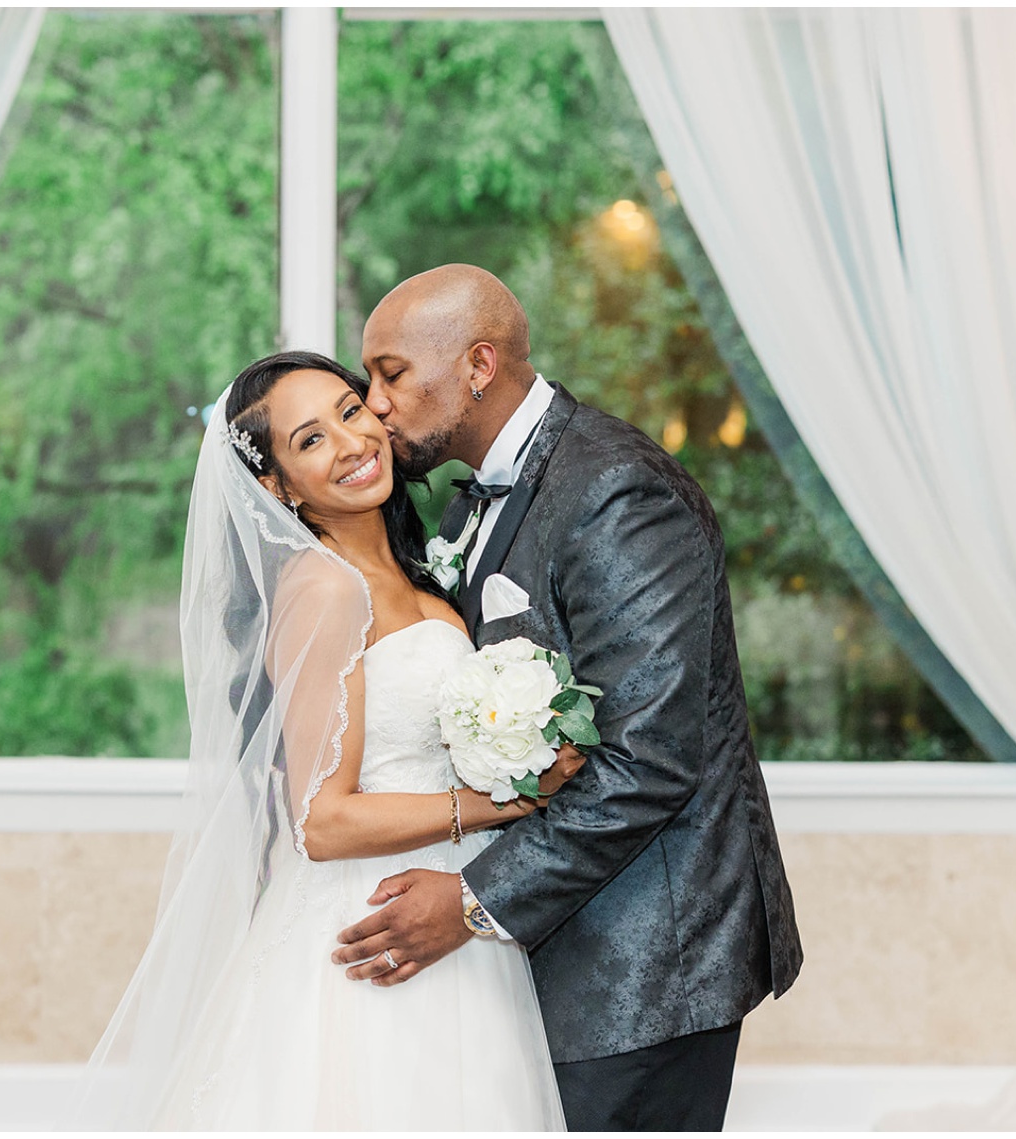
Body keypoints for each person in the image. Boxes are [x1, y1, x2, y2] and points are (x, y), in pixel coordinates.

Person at [333, 264, 804, 1132]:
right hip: (541, 964)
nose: (375, 404)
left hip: (644, 964)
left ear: (479, 365)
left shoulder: (618, 490)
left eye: (391, 373)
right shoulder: (462, 509)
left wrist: (473, 901)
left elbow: (649, 761)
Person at [71, 351, 573, 1130]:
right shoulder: (326, 587)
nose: (350, 442)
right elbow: (321, 820)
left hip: (453, 907)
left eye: (349, 410)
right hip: (374, 918)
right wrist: (508, 800)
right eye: (310, 440)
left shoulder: (420, 571)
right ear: (278, 487)